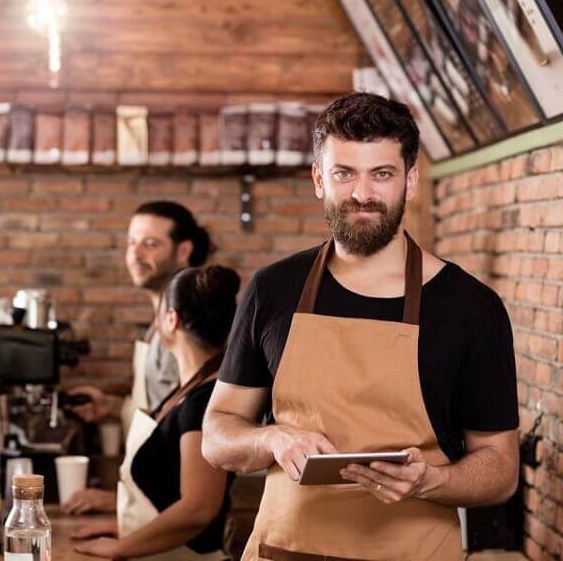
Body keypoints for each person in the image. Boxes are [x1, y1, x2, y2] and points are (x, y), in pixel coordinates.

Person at [201, 92, 519, 560]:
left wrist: (433, 480)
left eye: (382, 174)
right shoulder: (273, 290)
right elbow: (216, 434)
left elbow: (501, 467)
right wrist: (270, 437)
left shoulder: (472, 308)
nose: (363, 194)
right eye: (344, 173)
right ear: (318, 179)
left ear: (410, 182)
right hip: (285, 551)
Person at [73, 266, 240, 560]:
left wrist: (121, 547)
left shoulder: (202, 403)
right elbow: (168, 494)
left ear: (171, 320)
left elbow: (198, 508)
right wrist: (126, 529)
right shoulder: (184, 392)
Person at [62, 201, 213, 515]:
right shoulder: (159, 322)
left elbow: (188, 433)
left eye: (150, 244)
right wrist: (113, 406)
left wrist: (118, 502)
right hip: (148, 509)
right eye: (131, 242)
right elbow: (161, 407)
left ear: (184, 250)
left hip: (168, 513)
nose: (135, 253)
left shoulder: (186, 328)